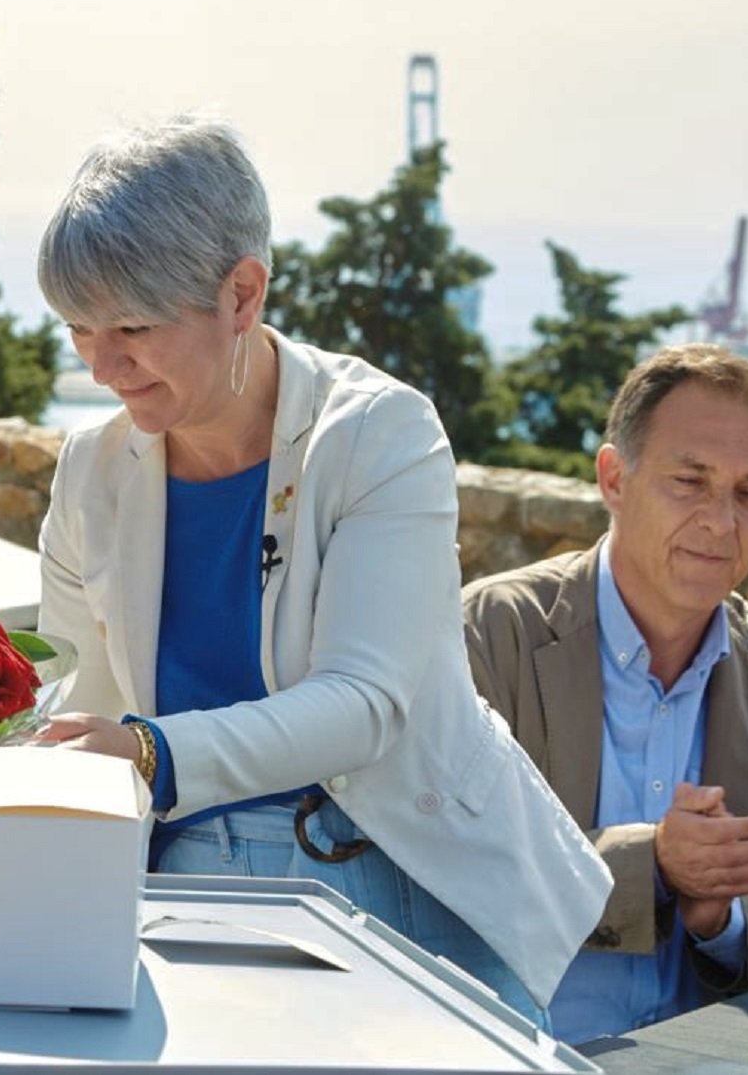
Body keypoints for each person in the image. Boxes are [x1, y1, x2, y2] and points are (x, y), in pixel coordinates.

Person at [32, 114, 611, 1021]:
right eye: (78, 331)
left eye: (132, 328)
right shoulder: (91, 470)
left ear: (243, 293)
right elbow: (80, 710)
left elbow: (365, 704)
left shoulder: (381, 431)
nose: (103, 367)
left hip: (401, 882)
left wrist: (149, 751)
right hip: (185, 896)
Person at [462, 344, 748, 1043]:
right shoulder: (491, 634)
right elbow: (447, 873)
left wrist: (723, 920)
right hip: (520, 1052)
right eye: (690, 481)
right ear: (615, 479)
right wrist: (652, 866)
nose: (722, 522)